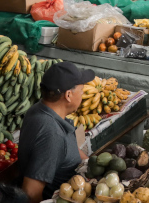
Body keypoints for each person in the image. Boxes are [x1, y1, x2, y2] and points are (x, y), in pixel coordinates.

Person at [18, 62, 94, 202]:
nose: (82, 96)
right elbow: (30, 192)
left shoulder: (40, 109)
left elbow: (66, 148)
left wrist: (90, 161)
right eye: (82, 91)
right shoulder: (51, 134)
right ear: (69, 95)